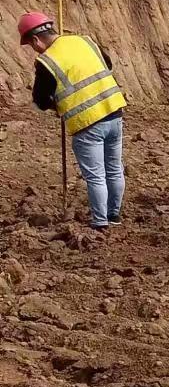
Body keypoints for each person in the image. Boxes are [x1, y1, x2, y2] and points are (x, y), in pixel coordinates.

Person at [19, 12, 127, 231]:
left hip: (87, 122)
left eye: (31, 46)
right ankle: (114, 215)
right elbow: (107, 64)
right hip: (114, 112)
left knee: (95, 175)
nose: (35, 50)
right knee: (114, 169)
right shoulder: (83, 40)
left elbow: (40, 99)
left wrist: (56, 105)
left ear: (35, 40)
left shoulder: (47, 61)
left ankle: (100, 223)